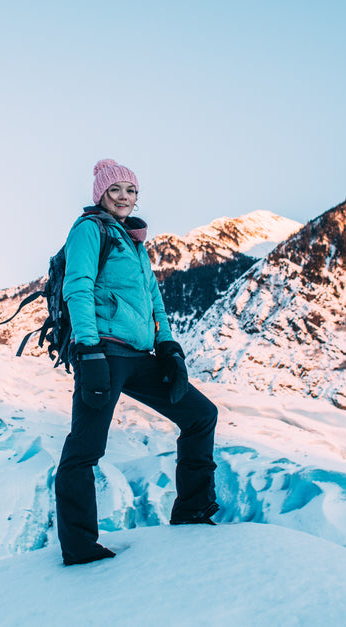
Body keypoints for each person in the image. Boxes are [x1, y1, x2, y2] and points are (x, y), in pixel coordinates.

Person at [54, 158, 219, 566]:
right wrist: (88, 349)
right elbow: (77, 287)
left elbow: (154, 301)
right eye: (116, 190)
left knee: (201, 415)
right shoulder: (89, 231)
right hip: (105, 353)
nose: (124, 197)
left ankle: (193, 512)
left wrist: (168, 347)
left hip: (139, 354)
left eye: (131, 190)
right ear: (101, 194)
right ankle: (78, 547)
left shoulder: (134, 241)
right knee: (85, 448)